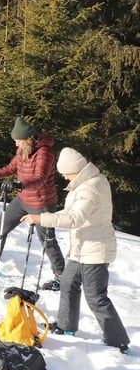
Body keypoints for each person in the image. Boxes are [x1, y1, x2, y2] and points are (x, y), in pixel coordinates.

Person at [22, 148, 130, 354]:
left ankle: (118, 341)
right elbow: (71, 213)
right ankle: (66, 325)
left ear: (74, 170)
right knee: (68, 281)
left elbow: (75, 219)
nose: (63, 176)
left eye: (64, 172)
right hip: (83, 247)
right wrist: (47, 215)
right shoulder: (86, 183)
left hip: (95, 249)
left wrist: (41, 219)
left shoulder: (90, 188)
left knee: (95, 296)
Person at [0, 116, 65, 287]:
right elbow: (11, 168)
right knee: (1, 225)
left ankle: (61, 276)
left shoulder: (45, 152)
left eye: (18, 141)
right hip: (23, 199)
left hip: (41, 203)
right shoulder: (22, 150)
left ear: (27, 139)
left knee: (47, 240)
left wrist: (19, 184)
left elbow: (40, 178)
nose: (16, 144)